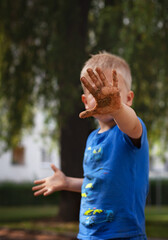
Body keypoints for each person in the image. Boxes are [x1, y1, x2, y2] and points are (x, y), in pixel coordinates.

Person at [32, 52, 149, 240]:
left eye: (113, 92)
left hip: (124, 234)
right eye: (96, 92)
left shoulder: (131, 130)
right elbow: (96, 184)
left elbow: (131, 123)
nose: (104, 97)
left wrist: (118, 109)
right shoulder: (92, 139)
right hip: (88, 235)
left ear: (128, 99)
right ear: (86, 102)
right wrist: (67, 182)